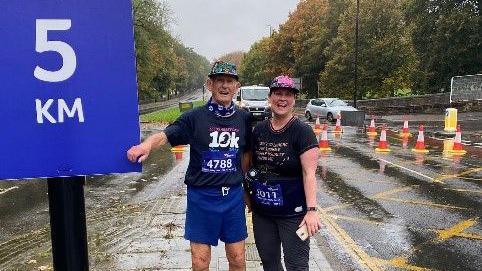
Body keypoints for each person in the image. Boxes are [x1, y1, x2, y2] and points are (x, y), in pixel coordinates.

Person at [127, 61, 252, 271]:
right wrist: (146, 145)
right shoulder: (194, 117)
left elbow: (247, 155)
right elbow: (167, 134)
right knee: (200, 262)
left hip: (232, 198)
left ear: (236, 87)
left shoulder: (244, 119)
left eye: (229, 81)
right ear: (209, 84)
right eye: (219, 80)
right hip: (202, 198)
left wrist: (247, 191)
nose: (224, 86)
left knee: (238, 258)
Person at [245, 75, 322, 270]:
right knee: (270, 265)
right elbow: (250, 166)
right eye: (278, 93)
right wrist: (248, 195)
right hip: (263, 214)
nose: (282, 99)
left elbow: (309, 173)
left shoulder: (302, 132)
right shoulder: (260, 130)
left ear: (294, 100)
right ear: (269, 97)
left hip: (293, 215)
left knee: (296, 266)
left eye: (288, 94)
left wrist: (312, 211)